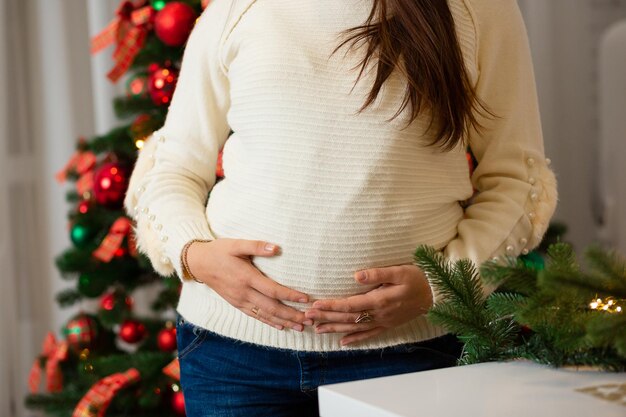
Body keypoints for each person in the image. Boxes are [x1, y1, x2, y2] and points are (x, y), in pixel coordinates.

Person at [124, 0, 558, 415]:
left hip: (411, 355)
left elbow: (517, 179)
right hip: (232, 358)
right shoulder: (237, 10)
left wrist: (440, 287)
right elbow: (171, 168)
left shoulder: (478, 10)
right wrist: (195, 255)